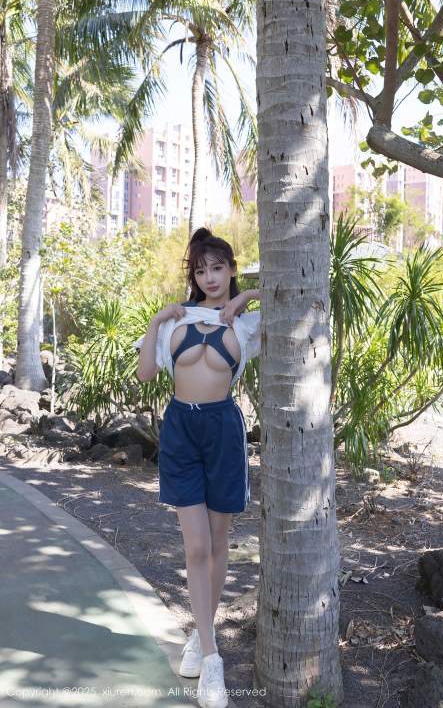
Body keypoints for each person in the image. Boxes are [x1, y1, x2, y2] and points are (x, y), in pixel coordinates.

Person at [134, 227, 260, 708]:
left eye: (218, 268)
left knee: (219, 543)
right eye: (201, 270)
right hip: (181, 430)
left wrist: (245, 297)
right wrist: (155, 321)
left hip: (223, 429)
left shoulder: (246, 325)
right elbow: (146, 373)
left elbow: (300, 298)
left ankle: (199, 635)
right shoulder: (178, 320)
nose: (210, 277)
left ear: (231, 269)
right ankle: (212, 660)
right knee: (197, 546)